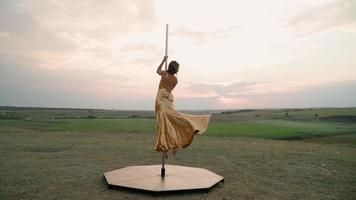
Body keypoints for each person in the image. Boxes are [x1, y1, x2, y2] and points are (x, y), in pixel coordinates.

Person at [155, 56, 211, 158]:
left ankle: (167, 146)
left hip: (161, 100)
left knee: (164, 123)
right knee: (172, 120)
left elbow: (157, 70)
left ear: (169, 67)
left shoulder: (164, 74)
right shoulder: (176, 80)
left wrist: (163, 60)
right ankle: (170, 145)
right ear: (176, 70)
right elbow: (170, 90)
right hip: (169, 99)